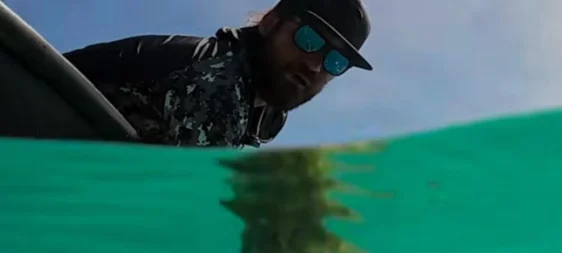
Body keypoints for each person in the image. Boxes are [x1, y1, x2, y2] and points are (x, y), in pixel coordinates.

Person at [63, 0, 372, 148]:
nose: (315, 65)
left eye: (335, 61)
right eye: (309, 39)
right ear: (270, 22)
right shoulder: (217, 82)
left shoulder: (262, 112)